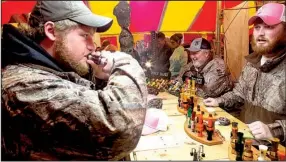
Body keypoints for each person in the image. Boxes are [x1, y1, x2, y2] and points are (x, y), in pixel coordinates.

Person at [2, 1, 148, 160]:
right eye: (85, 35)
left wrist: (99, 78)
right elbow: (119, 128)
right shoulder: (23, 86)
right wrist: (124, 63)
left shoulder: (49, 70)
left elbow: (80, 101)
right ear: (51, 31)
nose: (93, 46)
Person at [204, 3, 286, 145]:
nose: (260, 33)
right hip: (244, 143)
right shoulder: (251, 64)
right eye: (257, 27)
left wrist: (274, 130)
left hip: (276, 152)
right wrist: (219, 101)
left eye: (269, 27)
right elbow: (238, 94)